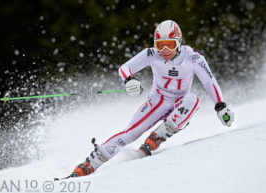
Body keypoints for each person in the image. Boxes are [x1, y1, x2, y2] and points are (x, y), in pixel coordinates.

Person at [68, 20, 235, 178]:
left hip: (180, 103)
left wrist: (220, 106)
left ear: (179, 43)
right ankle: (89, 164)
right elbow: (125, 68)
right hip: (158, 101)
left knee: (193, 100)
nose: (165, 50)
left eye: (170, 44)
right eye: (160, 45)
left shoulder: (193, 57)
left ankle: (159, 135)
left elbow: (209, 81)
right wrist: (129, 80)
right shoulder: (151, 54)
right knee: (130, 134)